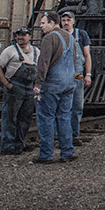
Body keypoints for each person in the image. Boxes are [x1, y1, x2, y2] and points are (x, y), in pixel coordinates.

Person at [32, 11, 78, 164]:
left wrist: (38, 84)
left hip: (52, 84)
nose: (41, 26)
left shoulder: (49, 38)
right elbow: (74, 61)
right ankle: (67, 152)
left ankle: (45, 155)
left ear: (52, 23)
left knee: (46, 118)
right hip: (69, 83)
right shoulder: (71, 38)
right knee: (64, 117)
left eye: (43, 23)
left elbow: (43, 62)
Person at [0, 27, 37, 155]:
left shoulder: (36, 51)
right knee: (10, 118)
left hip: (29, 88)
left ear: (29, 37)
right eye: (18, 35)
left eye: (23, 35)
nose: (20, 37)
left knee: (26, 118)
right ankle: (7, 146)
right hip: (14, 88)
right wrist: (7, 84)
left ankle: (19, 144)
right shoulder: (10, 51)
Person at [59, 10, 92, 146]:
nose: (66, 23)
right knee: (62, 105)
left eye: (68, 20)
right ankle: (60, 135)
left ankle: (74, 135)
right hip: (61, 73)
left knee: (77, 104)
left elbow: (87, 55)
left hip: (77, 72)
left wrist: (88, 74)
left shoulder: (81, 34)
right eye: (64, 20)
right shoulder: (57, 35)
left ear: (73, 21)